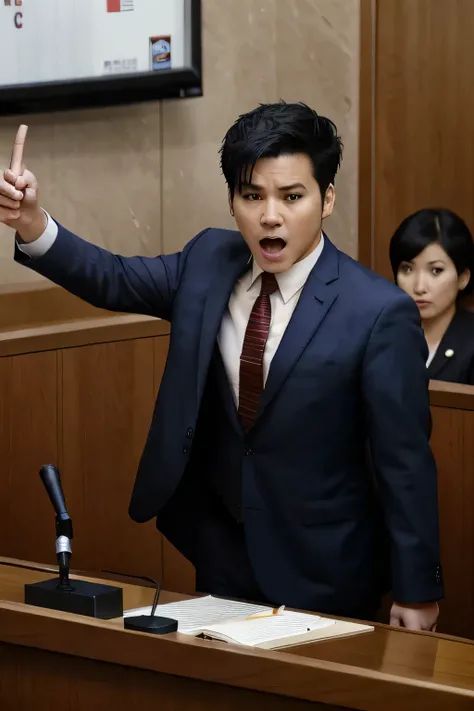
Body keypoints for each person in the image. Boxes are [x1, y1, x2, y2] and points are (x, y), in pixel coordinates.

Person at [0, 102, 442, 630]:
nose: (270, 215)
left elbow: (405, 464)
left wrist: (416, 593)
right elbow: (112, 277)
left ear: (327, 200)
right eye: (252, 196)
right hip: (221, 552)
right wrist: (31, 222)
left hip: (327, 568)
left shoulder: (377, 312)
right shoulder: (209, 260)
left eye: (291, 196)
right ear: (232, 201)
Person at [390, 208, 474, 385]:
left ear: (463, 278)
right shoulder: (381, 334)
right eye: (407, 269)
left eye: (436, 270)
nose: (419, 287)